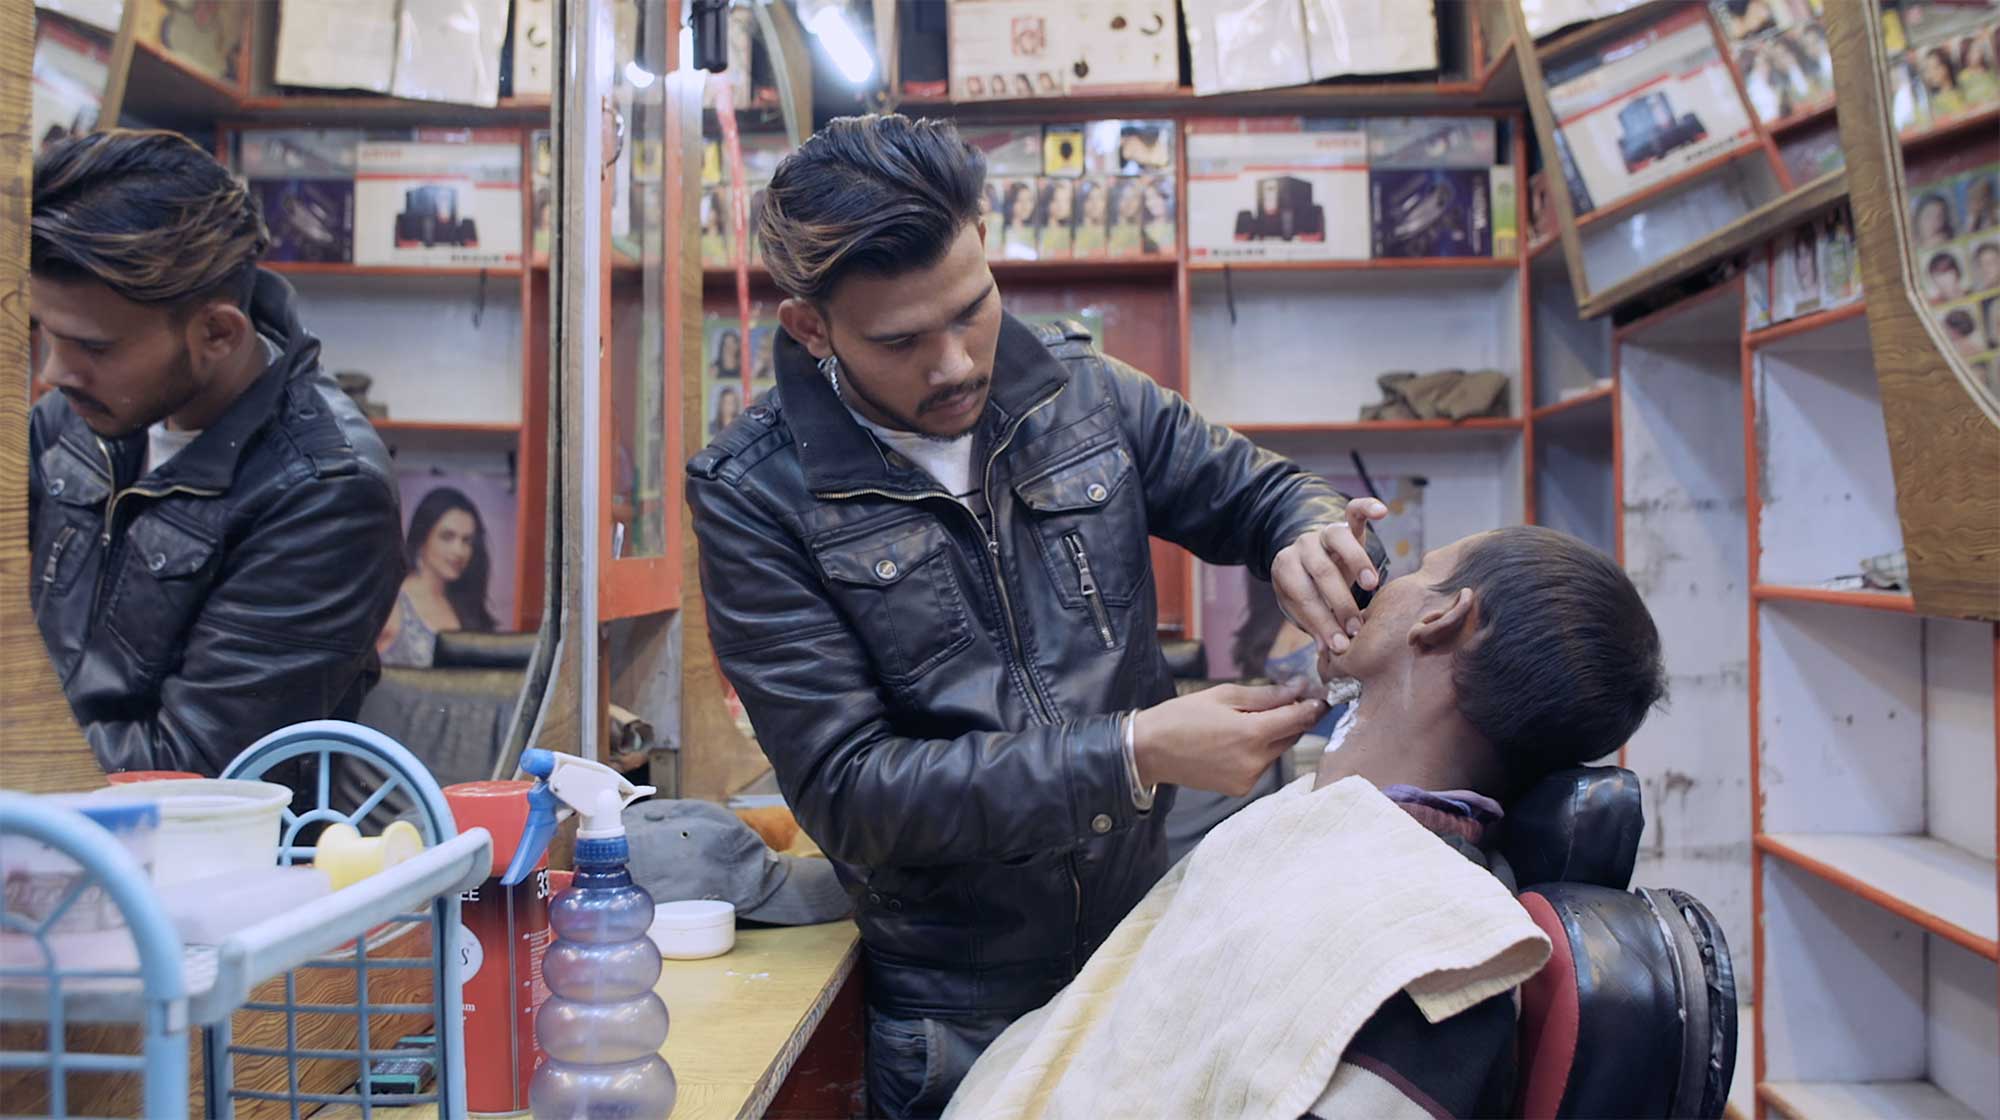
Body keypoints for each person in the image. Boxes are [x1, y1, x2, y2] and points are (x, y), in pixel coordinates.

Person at [686, 114, 1387, 1120]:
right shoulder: (756, 495)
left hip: (1149, 947)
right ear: (809, 328)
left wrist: (1308, 531)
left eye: (972, 309)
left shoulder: (1082, 394)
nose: (955, 365)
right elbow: (853, 791)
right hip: (958, 1015)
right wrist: (1131, 753)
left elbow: (1259, 491)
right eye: (901, 340)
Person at [943, 526, 1668, 1119]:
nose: (1378, 585)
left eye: (1417, 568)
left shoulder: (1440, 956)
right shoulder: (1314, 829)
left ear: (1444, 617)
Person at [27, 130, 402, 776]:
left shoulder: (326, 493)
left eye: (93, 347)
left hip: (207, 866)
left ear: (218, 333)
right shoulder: (72, 419)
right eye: (47, 336)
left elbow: (197, 769)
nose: (55, 374)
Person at [376, 487, 497, 669]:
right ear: (423, 538)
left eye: (467, 541)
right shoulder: (392, 602)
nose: (459, 551)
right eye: (447, 537)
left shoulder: (465, 604)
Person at [1038, 178, 1076, 259]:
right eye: (1056, 200)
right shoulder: (1039, 234)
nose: (1061, 206)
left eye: (1066, 201)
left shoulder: (1074, 233)